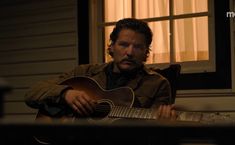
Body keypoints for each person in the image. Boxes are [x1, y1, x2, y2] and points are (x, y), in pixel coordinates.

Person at [25, 18, 176, 121]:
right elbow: (32, 93)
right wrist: (66, 94)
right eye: (123, 44)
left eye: (138, 47)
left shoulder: (158, 84)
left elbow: (154, 135)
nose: (130, 52)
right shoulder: (84, 73)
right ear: (111, 46)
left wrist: (163, 125)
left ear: (146, 52)